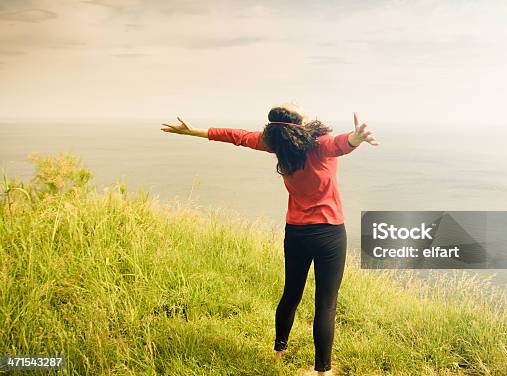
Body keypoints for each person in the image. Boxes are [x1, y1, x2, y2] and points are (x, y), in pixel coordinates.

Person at [161, 102, 378, 375]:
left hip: (296, 233)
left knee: (291, 294)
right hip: (329, 233)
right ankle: (322, 370)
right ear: (299, 123)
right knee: (326, 302)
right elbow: (338, 144)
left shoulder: (278, 145)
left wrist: (193, 131)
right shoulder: (318, 144)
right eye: (298, 108)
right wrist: (356, 138)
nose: (302, 107)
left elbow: (236, 136)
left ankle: (279, 352)